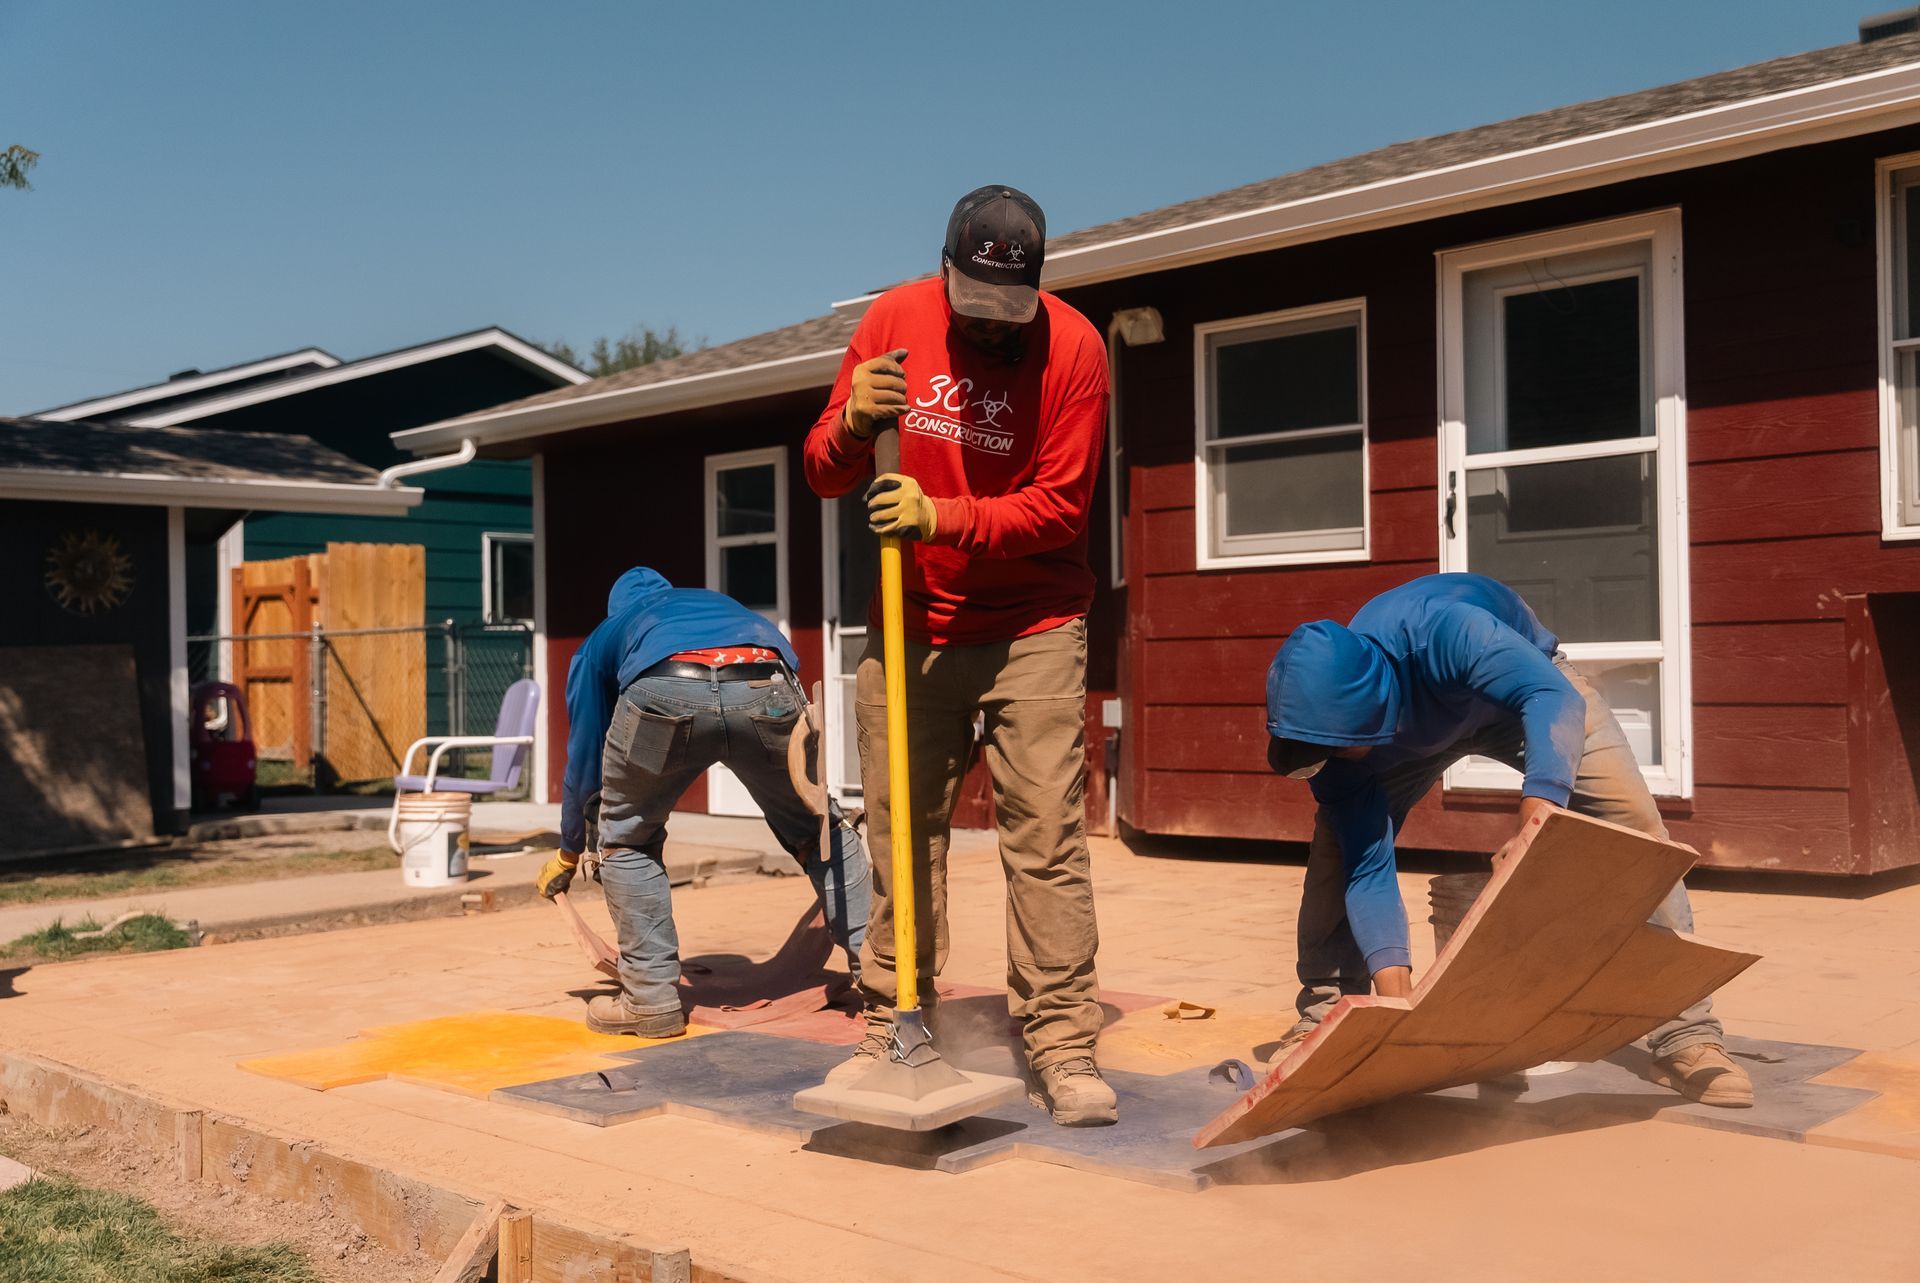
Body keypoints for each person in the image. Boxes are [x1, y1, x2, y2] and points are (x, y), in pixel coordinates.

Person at [802, 185, 1116, 1125]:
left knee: (1047, 837)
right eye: (974, 311)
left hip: (1035, 625)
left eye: (1008, 316)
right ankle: (898, 1024)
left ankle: (1062, 1040)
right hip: (911, 624)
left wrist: (945, 515)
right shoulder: (892, 322)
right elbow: (823, 468)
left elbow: (1062, 506)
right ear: (947, 275)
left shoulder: (1077, 350)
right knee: (903, 835)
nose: (991, 332)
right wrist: (856, 419)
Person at [1263, 571, 1753, 1107]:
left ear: (1376, 708)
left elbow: (1548, 694)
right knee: (1338, 850)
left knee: (1633, 825)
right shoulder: (1331, 747)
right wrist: (1396, 1011)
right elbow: (1368, 869)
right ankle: (1330, 1018)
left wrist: (1539, 816)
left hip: (1529, 693)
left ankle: (1686, 1033)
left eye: (1339, 748)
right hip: (1402, 733)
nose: (1330, 760)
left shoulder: (1447, 632)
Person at [535, 567, 870, 1038]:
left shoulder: (606, 634)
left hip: (665, 691)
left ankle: (650, 1002)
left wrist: (570, 849)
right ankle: (884, 980)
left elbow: (585, 756)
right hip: (765, 683)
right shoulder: (716, 605)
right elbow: (787, 657)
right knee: (820, 829)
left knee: (628, 841)